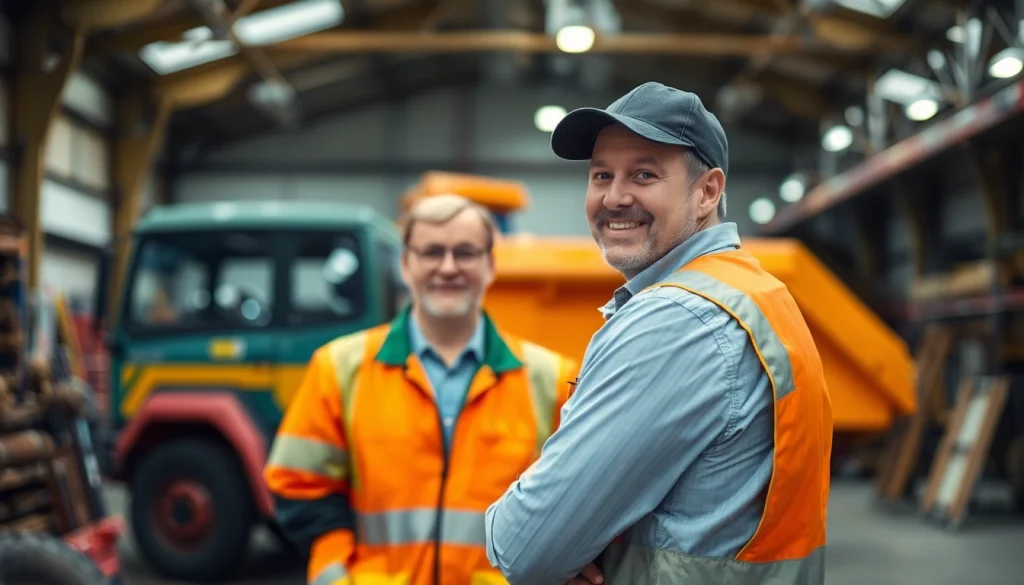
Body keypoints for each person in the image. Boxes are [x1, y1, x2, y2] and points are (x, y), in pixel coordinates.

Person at [483, 81, 834, 585]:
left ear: (707, 191)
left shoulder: (677, 319)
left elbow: (527, 549)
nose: (614, 197)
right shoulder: (756, 293)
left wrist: (524, 530)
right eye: (601, 174)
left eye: (644, 174)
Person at [263, 193, 579, 585]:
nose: (448, 267)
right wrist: (336, 569)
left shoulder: (550, 378)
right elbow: (296, 482)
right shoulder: (339, 368)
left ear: (490, 265)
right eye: (432, 252)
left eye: (465, 253)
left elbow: (575, 501)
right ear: (405, 265)